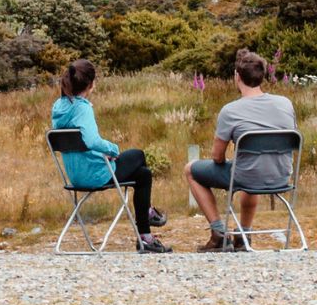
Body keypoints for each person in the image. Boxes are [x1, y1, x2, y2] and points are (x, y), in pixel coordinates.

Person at [51, 59, 171, 253]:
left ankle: (146, 237)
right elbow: (91, 140)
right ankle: (147, 215)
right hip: (95, 174)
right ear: (91, 83)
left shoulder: (59, 107)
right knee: (138, 155)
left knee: (143, 175)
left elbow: (82, 142)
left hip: (75, 175)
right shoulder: (82, 108)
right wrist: (112, 150)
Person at [184, 49, 297, 252]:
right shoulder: (285, 104)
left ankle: (218, 232)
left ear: (237, 76)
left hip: (246, 176)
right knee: (251, 168)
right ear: (263, 76)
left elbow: (217, 157)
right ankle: (244, 234)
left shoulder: (231, 110)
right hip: (282, 176)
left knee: (191, 169)